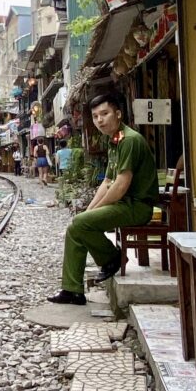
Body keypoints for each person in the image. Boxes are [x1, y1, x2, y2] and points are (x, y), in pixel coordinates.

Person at [47, 92, 159, 305]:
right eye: (96, 116)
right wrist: (89, 211)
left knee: (81, 223)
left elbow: (120, 186)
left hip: (138, 206)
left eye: (105, 114)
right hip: (123, 204)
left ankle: (112, 258)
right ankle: (72, 290)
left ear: (118, 114)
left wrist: (89, 216)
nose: (99, 120)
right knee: (76, 226)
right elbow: (106, 182)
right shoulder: (114, 141)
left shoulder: (130, 140)